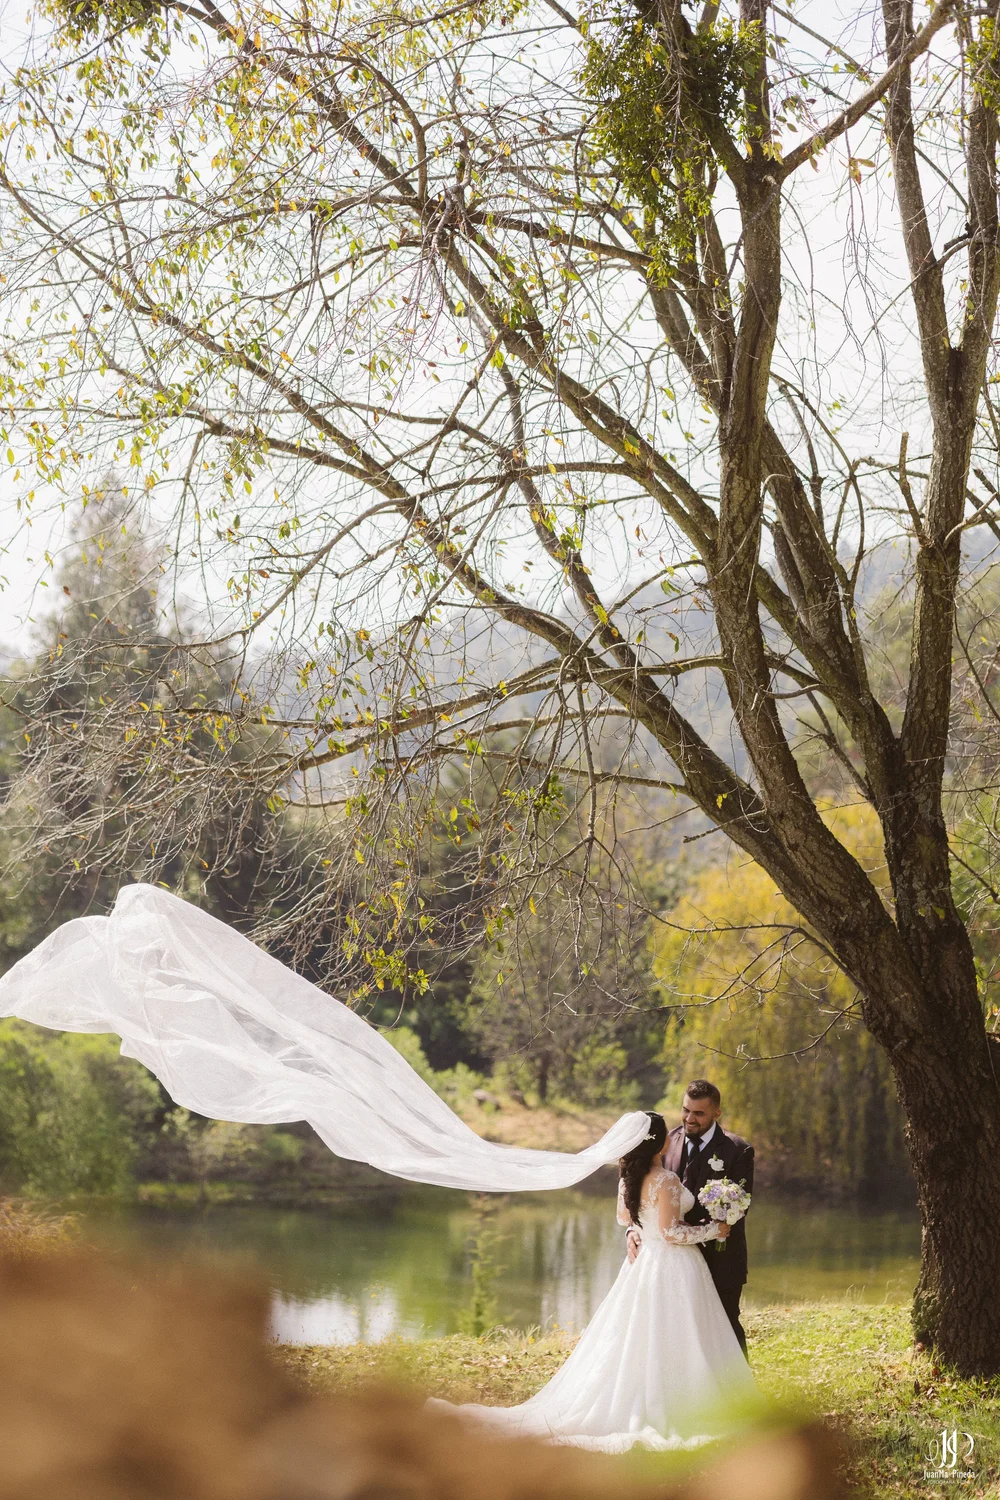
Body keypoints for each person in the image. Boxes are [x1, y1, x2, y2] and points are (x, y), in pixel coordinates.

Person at [429, 1111, 754, 1452]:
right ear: (659, 1142)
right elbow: (672, 1232)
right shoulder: (666, 1180)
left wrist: (641, 1232)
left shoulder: (628, 1179)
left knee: (640, 1334)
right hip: (673, 1265)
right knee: (677, 1331)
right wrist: (713, 1229)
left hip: (643, 1265)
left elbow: (623, 1217)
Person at [629, 1080, 753, 1353]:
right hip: (672, 1265)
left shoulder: (738, 1150)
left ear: (716, 1113)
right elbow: (642, 1194)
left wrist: (710, 1228)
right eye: (686, 1110)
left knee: (726, 1330)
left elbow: (741, 1205)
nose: (689, 1118)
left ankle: (740, 1394)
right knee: (674, 1334)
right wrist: (633, 1230)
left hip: (721, 1258)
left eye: (699, 1113)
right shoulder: (664, 1142)